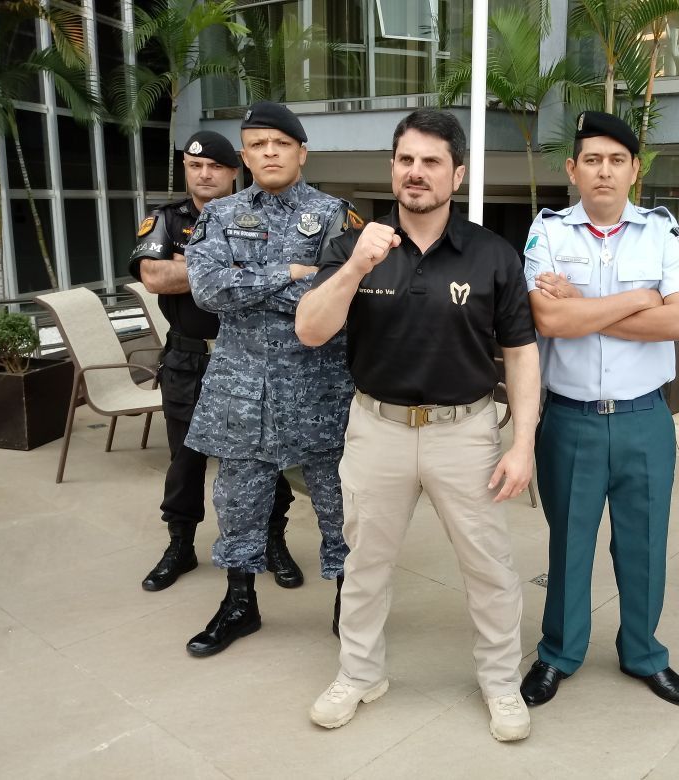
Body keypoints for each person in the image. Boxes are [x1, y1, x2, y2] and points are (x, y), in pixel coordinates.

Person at [296, 109, 540, 742]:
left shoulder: (492, 254)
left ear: (455, 175)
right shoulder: (356, 246)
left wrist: (522, 444)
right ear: (392, 168)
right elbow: (310, 329)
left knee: (489, 566)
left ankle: (499, 682)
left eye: (431, 161)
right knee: (366, 563)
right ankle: (360, 673)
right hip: (376, 428)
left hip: (467, 433)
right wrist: (354, 269)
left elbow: (520, 352)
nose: (416, 172)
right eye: (406, 159)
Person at [519, 112, 679, 708]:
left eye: (616, 160)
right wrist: (635, 300)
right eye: (592, 160)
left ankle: (644, 653)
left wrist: (587, 305)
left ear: (634, 170)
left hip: (645, 419)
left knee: (644, 542)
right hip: (569, 419)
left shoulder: (661, 233)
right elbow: (550, 319)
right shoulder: (547, 234)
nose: (604, 170)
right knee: (568, 543)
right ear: (573, 170)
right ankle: (559, 653)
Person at [182, 101, 354, 657]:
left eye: (281, 143)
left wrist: (251, 280)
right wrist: (289, 272)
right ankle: (239, 603)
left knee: (339, 502)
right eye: (258, 145)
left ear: (302, 152)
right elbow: (207, 291)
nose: (270, 153)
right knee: (238, 500)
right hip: (243, 388)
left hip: (320, 386)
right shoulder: (220, 215)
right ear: (246, 155)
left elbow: (335, 295)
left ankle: (348, 599)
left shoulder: (334, 215)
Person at [130, 131, 302, 593]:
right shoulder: (166, 219)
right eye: (194, 166)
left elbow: (301, 275)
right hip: (191, 358)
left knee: (266, 455)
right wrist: (241, 270)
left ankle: (273, 540)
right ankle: (180, 544)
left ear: (234, 170)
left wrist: (209, 269)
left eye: (215, 167)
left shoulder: (264, 215)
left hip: (255, 358)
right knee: (185, 459)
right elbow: (154, 276)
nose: (204, 174)